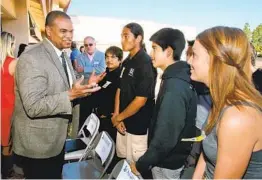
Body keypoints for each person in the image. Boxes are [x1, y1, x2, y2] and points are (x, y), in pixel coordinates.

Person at [12, 11, 101, 179]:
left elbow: (68, 86)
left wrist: (86, 85)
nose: (69, 36)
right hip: (39, 146)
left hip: (57, 141)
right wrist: (70, 95)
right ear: (48, 31)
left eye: (71, 31)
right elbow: (33, 106)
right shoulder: (32, 58)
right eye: (63, 31)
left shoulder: (63, 55)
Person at [189, 26, 262, 179]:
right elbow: (210, 147)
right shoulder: (222, 100)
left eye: (194, 55)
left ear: (215, 60)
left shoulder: (238, 117)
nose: (189, 60)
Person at [130, 28, 197, 179]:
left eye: (155, 49)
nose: (151, 54)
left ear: (168, 52)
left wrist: (142, 163)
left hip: (166, 163)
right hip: (165, 159)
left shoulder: (175, 86)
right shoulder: (174, 77)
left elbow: (166, 136)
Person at [111, 23, 155, 165]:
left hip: (137, 127)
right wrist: (117, 115)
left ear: (138, 39)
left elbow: (141, 100)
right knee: (123, 161)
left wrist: (119, 118)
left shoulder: (145, 63)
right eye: (121, 36)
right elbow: (119, 88)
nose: (122, 40)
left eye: (126, 36)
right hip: (122, 123)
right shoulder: (127, 61)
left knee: (135, 166)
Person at [92, 46, 123, 142]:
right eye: (107, 57)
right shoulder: (105, 74)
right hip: (99, 117)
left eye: (113, 57)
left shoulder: (121, 77)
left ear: (120, 59)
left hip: (111, 119)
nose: (109, 60)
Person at [1, 31, 17, 178]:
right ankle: (7, 173)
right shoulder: (13, 62)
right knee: (8, 144)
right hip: (9, 107)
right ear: (10, 44)